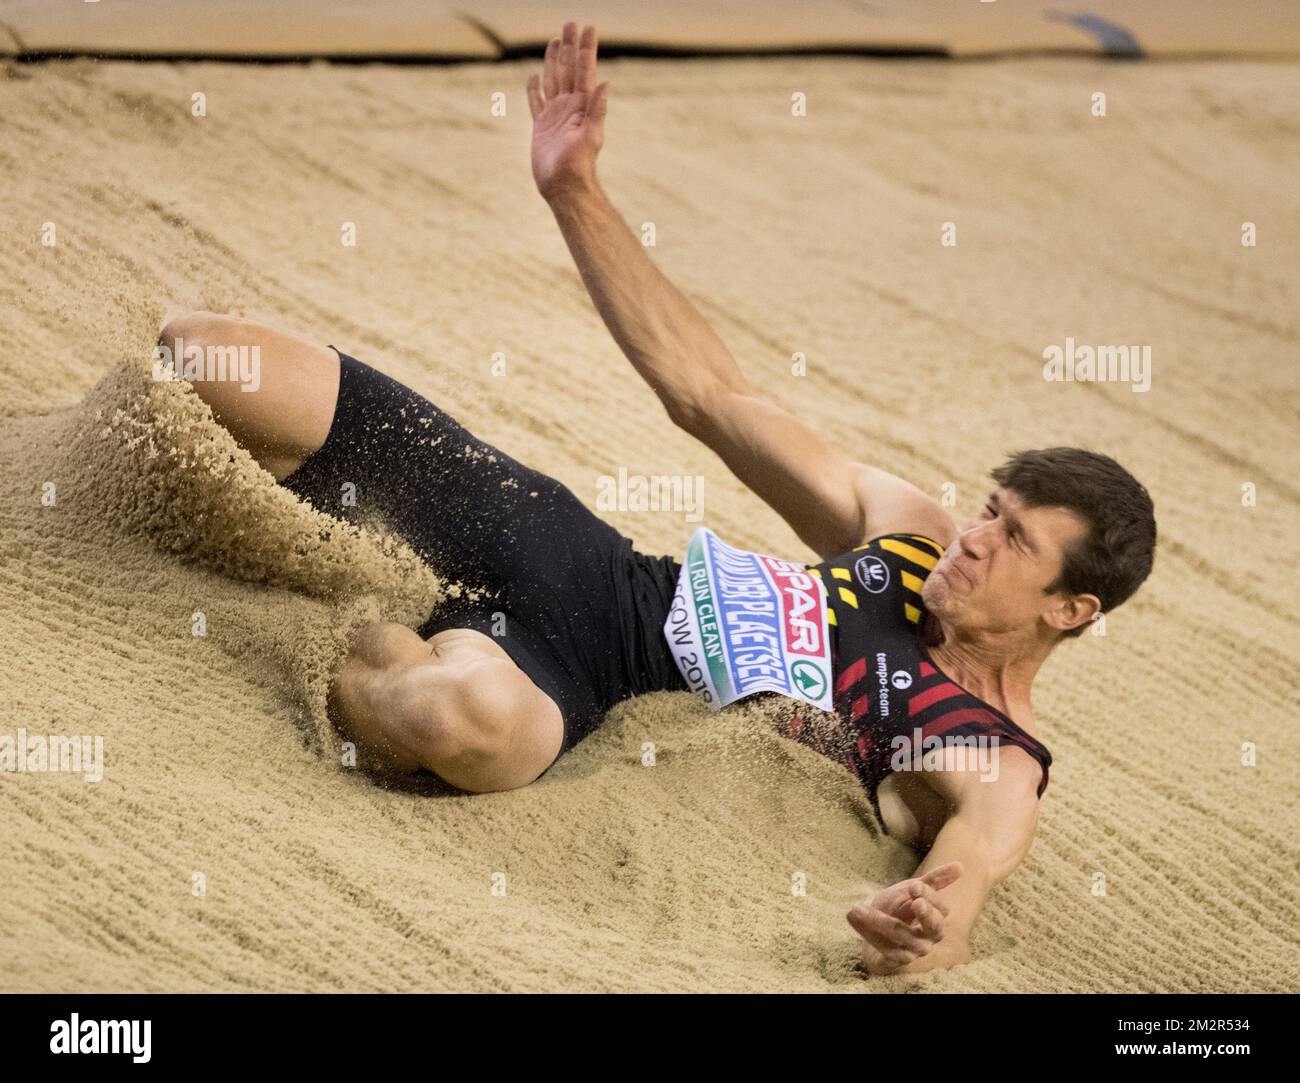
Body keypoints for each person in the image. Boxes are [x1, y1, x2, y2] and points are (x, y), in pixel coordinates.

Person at [158, 21, 1156, 977]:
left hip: (578, 685)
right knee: (205, 355)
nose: (976, 538)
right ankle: (337, 542)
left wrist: (923, 925)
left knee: (452, 718)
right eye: (990, 509)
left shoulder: (987, 753)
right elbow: (710, 394)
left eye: (1014, 540)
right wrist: (572, 189)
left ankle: (337, 624)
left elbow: (965, 875)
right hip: (580, 564)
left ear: (1069, 610)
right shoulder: (910, 538)